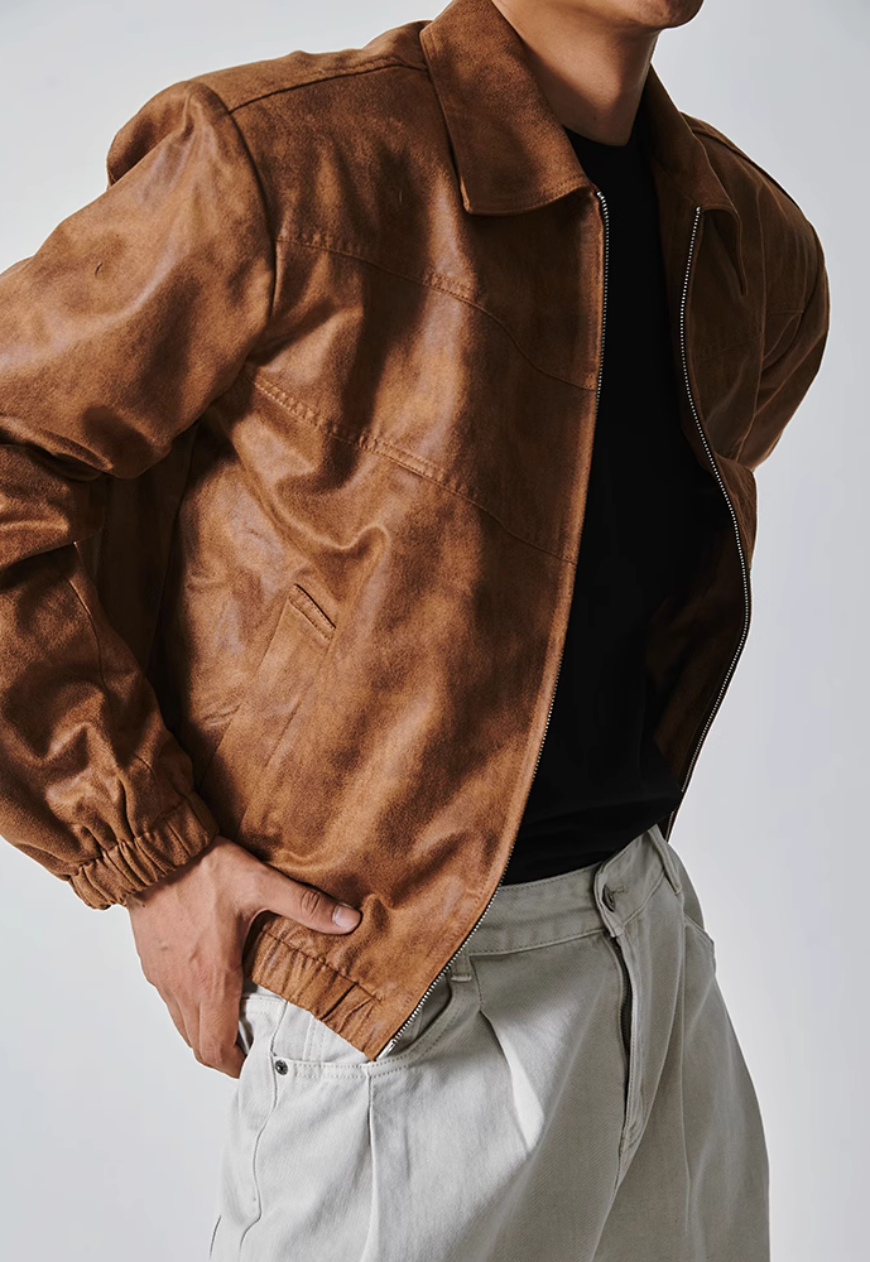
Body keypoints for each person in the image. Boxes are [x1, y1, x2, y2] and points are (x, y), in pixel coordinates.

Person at [0, 0, 829, 1257]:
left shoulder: (747, 241)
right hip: (402, 1002)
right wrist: (151, 851)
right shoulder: (286, 166)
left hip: (653, 964)